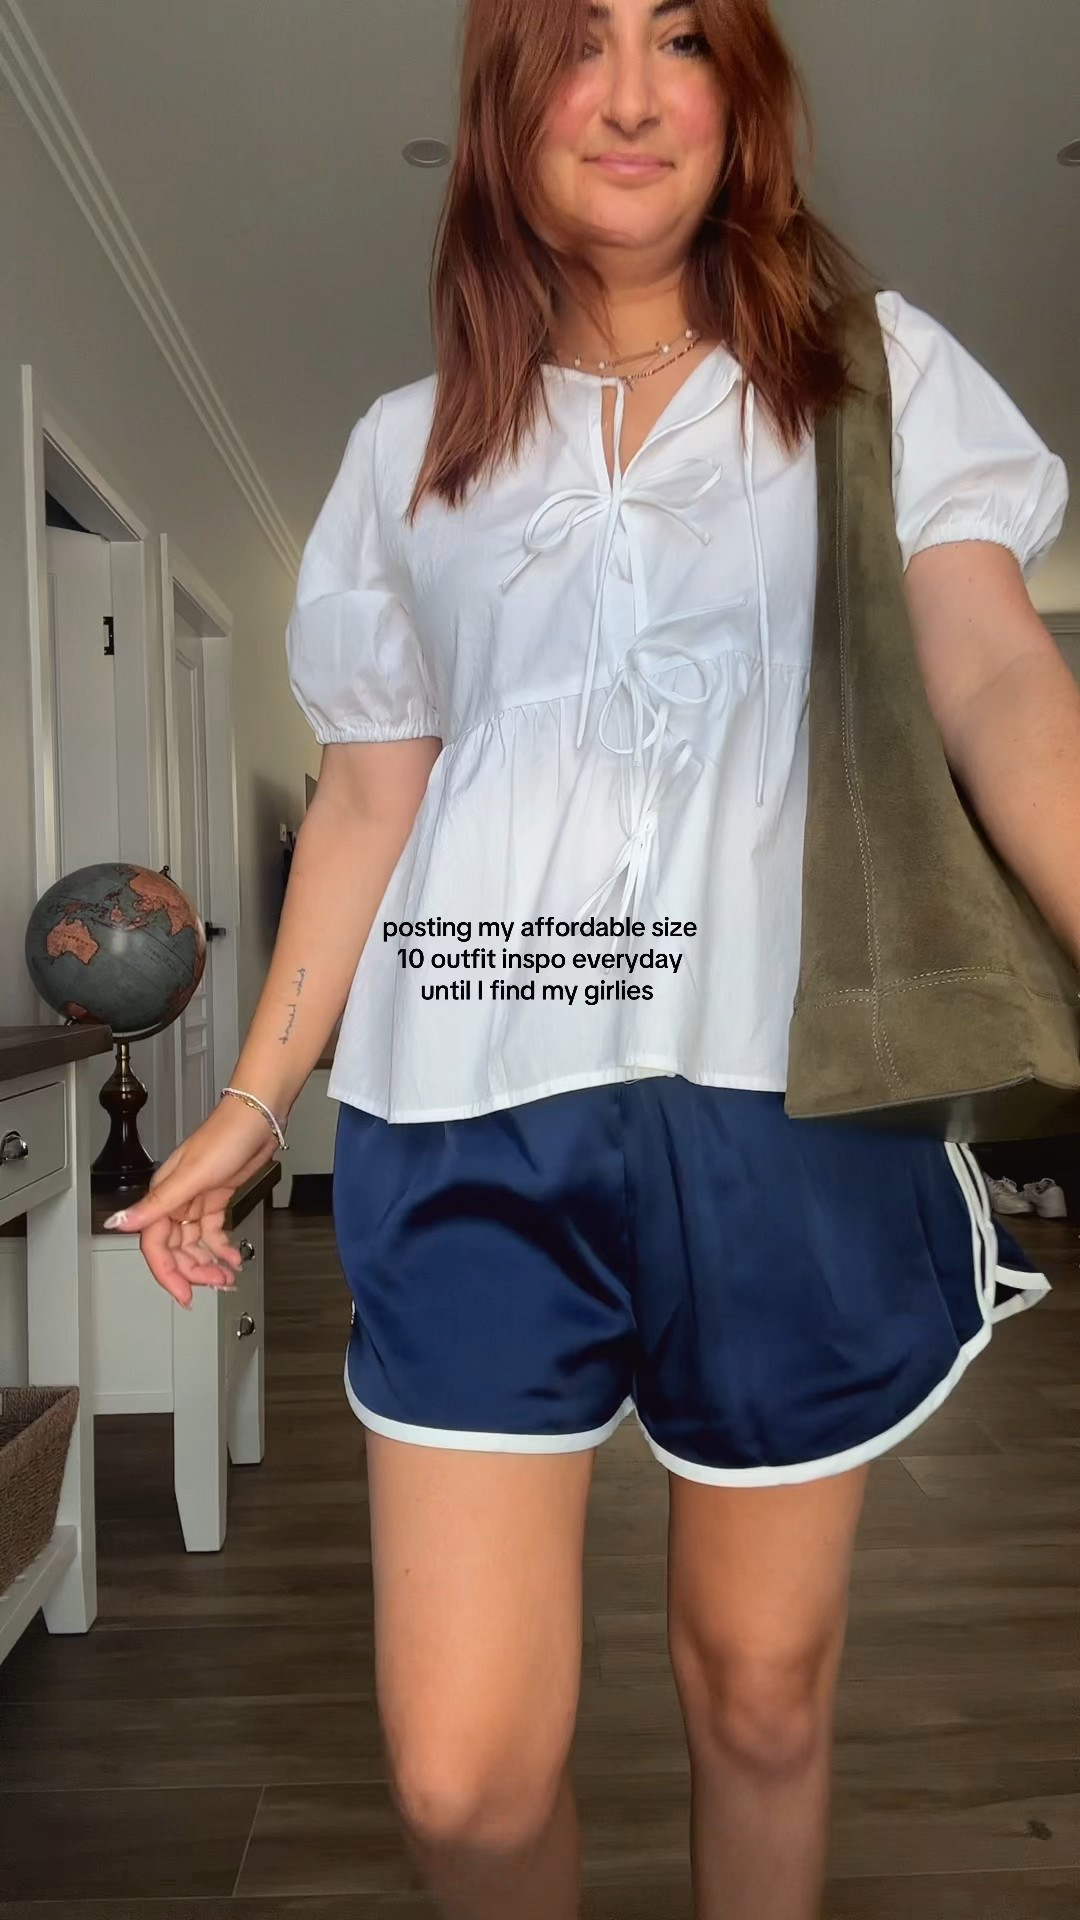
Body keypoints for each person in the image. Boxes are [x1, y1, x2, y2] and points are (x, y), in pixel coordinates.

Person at [110, 2, 1076, 1914]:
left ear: (743, 97)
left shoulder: (876, 376)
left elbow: (995, 674)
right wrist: (250, 1103)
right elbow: (367, 804)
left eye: (684, 38)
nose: (632, 93)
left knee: (766, 1699)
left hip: (792, 1107)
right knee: (463, 1780)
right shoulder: (404, 456)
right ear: (506, 106)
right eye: (580, 42)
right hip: (469, 1114)